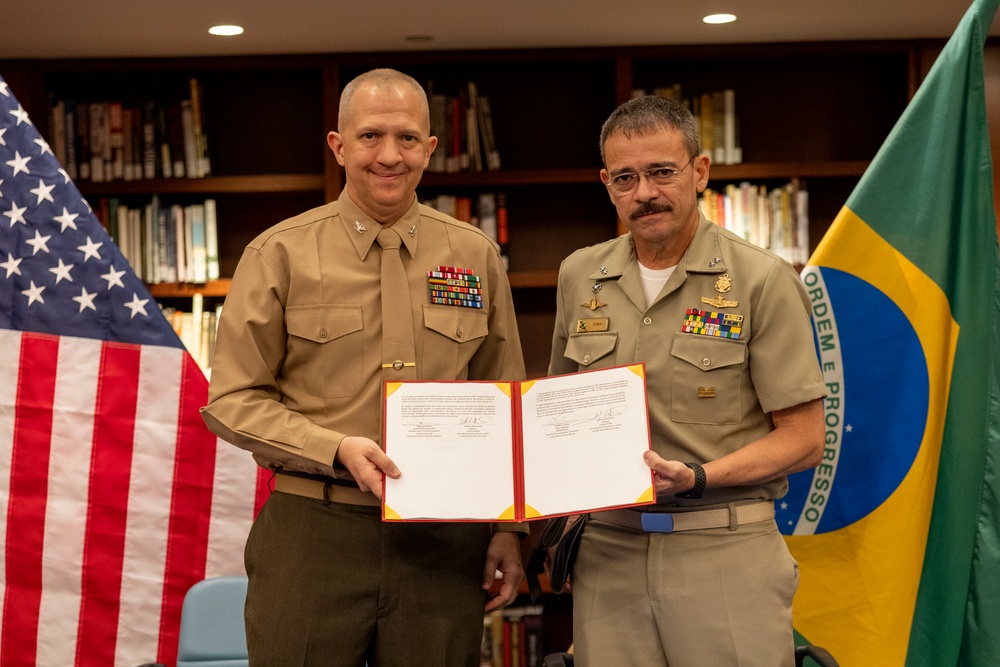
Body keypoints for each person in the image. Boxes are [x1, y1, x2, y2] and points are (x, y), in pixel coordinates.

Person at [201, 68, 527, 666]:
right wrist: (334, 448)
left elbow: (503, 403)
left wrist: (509, 530)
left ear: (430, 150)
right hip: (313, 531)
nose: (388, 156)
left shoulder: (475, 255)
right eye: (371, 136)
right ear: (338, 145)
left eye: (407, 139)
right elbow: (231, 401)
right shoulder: (278, 254)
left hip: (443, 538)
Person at [546, 94, 826, 666]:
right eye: (624, 177)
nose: (644, 192)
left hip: (722, 548)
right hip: (609, 554)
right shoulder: (580, 275)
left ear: (699, 172)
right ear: (606, 183)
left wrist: (698, 477)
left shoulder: (761, 280)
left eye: (661, 172)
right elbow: (556, 413)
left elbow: (805, 438)